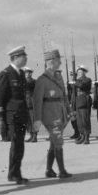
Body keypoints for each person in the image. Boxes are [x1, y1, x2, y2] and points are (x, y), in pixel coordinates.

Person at [0, 46, 30, 184]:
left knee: (20, 144)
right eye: (23, 56)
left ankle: (15, 173)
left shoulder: (20, 74)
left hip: (21, 114)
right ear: (15, 58)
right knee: (16, 144)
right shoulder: (6, 74)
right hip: (12, 116)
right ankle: (13, 174)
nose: (26, 58)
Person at [33, 48, 72, 178]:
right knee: (58, 140)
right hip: (50, 115)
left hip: (60, 112)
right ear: (51, 61)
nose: (60, 63)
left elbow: (64, 96)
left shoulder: (58, 77)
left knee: (54, 142)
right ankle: (62, 171)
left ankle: (49, 170)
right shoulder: (42, 80)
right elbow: (37, 102)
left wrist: (69, 111)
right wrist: (37, 119)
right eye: (58, 60)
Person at [73, 65, 92, 144]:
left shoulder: (87, 79)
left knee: (85, 120)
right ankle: (82, 136)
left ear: (84, 72)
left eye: (81, 72)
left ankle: (87, 137)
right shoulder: (77, 80)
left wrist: (75, 81)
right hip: (78, 100)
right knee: (79, 121)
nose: (79, 73)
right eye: (78, 72)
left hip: (84, 99)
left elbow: (81, 85)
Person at [24, 67, 38, 142]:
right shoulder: (23, 81)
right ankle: (31, 135)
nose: (28, 74)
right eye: (26, 73)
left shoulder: (33, 81)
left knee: (33, 120)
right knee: (28, 121)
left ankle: (35, 136)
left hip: (32, 103)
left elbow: (29, 85)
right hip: (25, 104)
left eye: (29, 73)